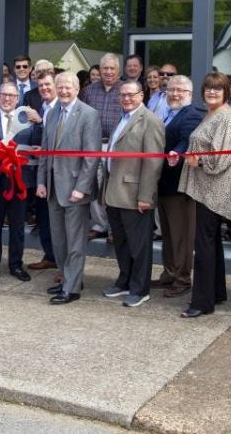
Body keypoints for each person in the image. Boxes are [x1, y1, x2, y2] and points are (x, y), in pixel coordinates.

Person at [178, 72, 231, 318]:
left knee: (203, 244)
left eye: (218, 89)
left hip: (216, 191)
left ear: (226, 91)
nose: (212, 92)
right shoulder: (211, 114)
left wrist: (200, 162)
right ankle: (215, 291)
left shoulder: (227, 118)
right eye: (208, 88)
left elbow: (225, 156)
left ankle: (202, 302)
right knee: (211, 242)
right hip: (205, 189)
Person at [36, 71, 102, 305]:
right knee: (59, 241)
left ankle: (72, 288)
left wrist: (82, 188)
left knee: (75, 242)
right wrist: (41, 182)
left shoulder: (89, 114)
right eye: (60, 87)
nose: (63, 91)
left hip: (75, 190)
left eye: (68, 87)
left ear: (77, 89)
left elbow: (92, 156)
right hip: (53, 188)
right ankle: (68, 278)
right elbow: (45, 151)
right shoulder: (52, 113)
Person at [100, 81, 165, 308]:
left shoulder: (151, 121)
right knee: (122, 243)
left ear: (142, 95)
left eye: (131, 94)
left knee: (139, 246)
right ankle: (124, 281)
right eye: (123, 94)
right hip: (114, 192)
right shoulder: (123, 117)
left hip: (135, 194)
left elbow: (153, 162)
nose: (126, 98)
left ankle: (140, 288)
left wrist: (145, 196)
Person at [0, 83, 38, 284]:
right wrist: (1, 151)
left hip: (19, 180)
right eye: (3, 94)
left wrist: (40, 122)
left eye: (12, 95)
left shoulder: (26, 120)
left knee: (18, 227)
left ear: (18, 99)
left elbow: (37, 144)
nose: (7, 98)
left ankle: (16, 265)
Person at [152, 75, 203, 298]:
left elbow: (186, 140)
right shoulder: (167, 114)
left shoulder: (191, 115)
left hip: (179, 185)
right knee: (169, 234)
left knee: (181, 235)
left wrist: (177, 154)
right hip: (163, 183)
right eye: (171, 90)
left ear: (190, 95)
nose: (175, 94)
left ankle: (182, 278)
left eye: (180, 91)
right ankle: (169, 273)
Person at [80, 52, 123, 240]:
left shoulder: (125, 90)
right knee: (94, 184)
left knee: (114, 187)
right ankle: (99, 225)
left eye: (112, 68)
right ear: (100, 69)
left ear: (118, 70)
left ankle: (115, 228)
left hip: (117, 147)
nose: (108, 72)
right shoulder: (89, 91)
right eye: (105, 68)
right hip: (94, 144)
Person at [25, 69, 59, 271]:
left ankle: (62, 262)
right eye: (41, 86)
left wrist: (40, 122)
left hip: (58, 173)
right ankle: (50, 256)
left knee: (58, 219)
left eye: (48, 84)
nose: (44, 88)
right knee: (44, 216)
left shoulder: (60, 108)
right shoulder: (41, 106)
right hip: (40, 171)